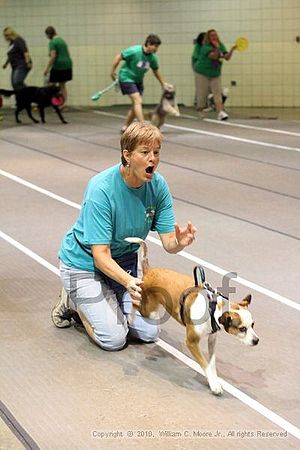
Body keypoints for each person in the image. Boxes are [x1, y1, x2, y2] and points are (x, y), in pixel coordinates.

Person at [52, 122, 197, 352]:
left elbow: (169, 242)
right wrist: (128, 282)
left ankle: (111, 300)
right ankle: (72, 301)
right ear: (127, 155)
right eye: (145, 152)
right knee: (114, 339)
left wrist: (179, 242)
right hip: (85, 265)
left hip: (125, 263)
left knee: (148, 333)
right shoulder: (101, 189)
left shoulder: (158, 186)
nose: (153, 159)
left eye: (156, 153)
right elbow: (100, 256)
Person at [110, 34, 166, 133]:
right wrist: (112, 71)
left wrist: (162, 83)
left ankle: (126, 126)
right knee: (137, 100)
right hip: (126, 78)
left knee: (135, 104)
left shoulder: (153, 58)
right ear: (148, 44)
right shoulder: (134, 51)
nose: (156, 49)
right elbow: (119, 57)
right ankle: (143, 126)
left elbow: (156, 71)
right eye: (155, 46)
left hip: (138, 81)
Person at [192, 29, 236, 120]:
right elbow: (214, 56)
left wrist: (232, 49)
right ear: (208, 37)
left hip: (215, 73)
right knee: (202, 93)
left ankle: (220, 112)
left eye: (215, 35)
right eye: (211, 35)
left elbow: (226, 57)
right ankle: (200, 110)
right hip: (202, 72)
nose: (214, 37)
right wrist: (216, 48)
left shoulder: (221, 45)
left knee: (217, 92)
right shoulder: (205, 47)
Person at [43, 26, 72, 107]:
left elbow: (53, 56)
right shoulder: (62, 41)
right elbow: (67, 53)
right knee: (62, 85)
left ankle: (51, 102)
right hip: (68, 64)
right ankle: (63, 104)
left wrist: (47, 68)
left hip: (59, 65)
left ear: (49, 35)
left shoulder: (52, 42)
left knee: (50, 84)